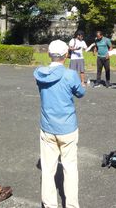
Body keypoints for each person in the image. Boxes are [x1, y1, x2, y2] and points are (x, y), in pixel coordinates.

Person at [34, 40, 86, 208]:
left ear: (49, 54)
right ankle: (71, 205)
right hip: (67, 127)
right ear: (66, 55)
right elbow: (81, 93)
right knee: (70, 169)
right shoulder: (70, 75)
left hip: (48, 127)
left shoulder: (40, 74)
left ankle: (49, 205)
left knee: (48, 170)